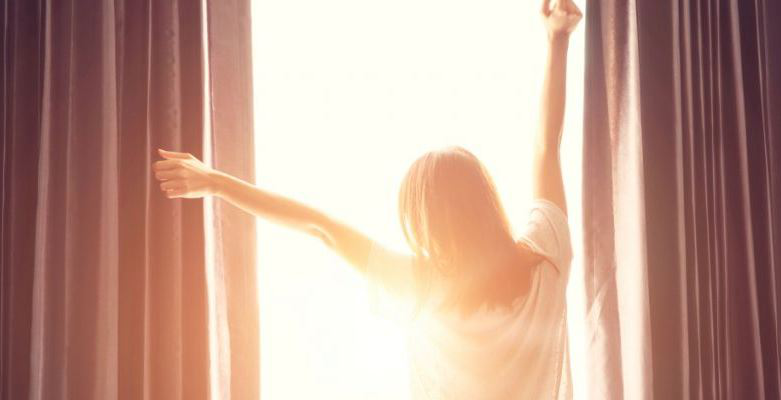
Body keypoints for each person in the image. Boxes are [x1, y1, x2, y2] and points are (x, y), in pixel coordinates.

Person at [153, 0, 581, 398]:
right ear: (486, 203)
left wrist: (217, 183)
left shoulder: (419, 286)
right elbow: (546, 147)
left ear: (425, 225)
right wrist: (557, 40)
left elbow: (320, 227)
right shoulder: (546, 258)